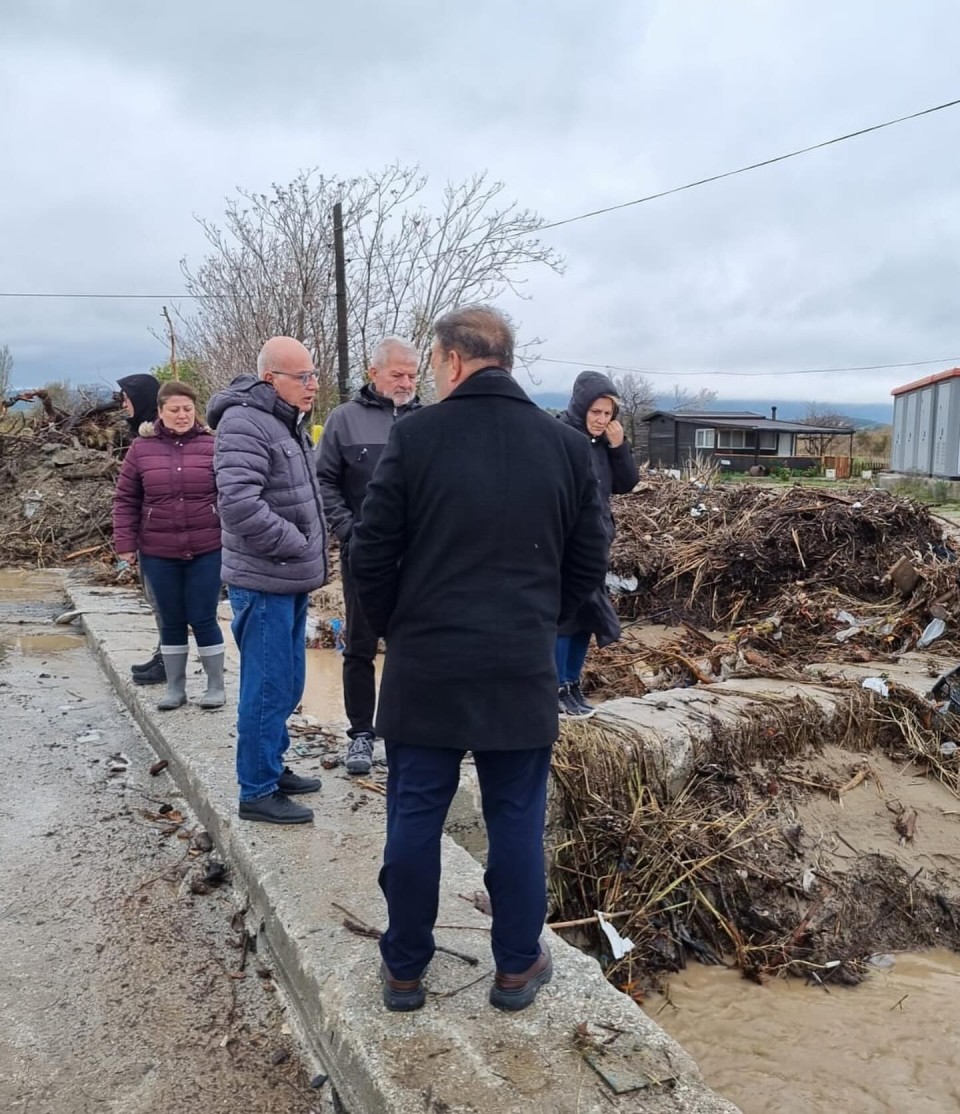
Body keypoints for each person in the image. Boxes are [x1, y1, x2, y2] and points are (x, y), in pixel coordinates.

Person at [349, 305, 607, 1013]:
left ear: (453, 361)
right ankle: (517, 968)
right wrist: (540, 621)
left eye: (433, 364)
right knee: (517, 821)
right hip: (519, 665)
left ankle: (404, 969)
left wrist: (400, 624)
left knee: (413, 818)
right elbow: (591, 556)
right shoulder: (562, 446)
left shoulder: (418, 434)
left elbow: (368, 552)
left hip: (425, 665)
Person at [208, 337, 329, 825]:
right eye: (302, 377)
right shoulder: (244, 422)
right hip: (264, 579)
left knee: (290, 680)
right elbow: (238, 503)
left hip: (289, 578)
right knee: (266, 685)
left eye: (313, 374)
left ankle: (272, 767)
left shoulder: (285, 422)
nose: (312, 384)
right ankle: (255, 790)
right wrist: (296, 543)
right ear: (269, 380)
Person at [315, 337, 421, 775]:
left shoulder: (430, 421)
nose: (406, 382)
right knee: (360, 647)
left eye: (413, 375)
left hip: (418, 559)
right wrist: (349, 532)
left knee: (412, 647)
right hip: (364, 556)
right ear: (373, 372)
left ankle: (409, 732)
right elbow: (323, 483)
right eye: (397, 374)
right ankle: (361, 734)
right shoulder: (345, 420)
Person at [112, 380, 225, 712]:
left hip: (207, 548)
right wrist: (125, 545)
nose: (182, 415)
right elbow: (125, 500)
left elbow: (230, 495)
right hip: (158, 551)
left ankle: (215, 686)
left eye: (187, 409)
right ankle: (176, 688)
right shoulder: (140, 450)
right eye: (174, 410)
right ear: (160, 412)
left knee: (203, 616)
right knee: (171, 618)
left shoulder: (212, 446)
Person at [555, 371, 639, 718]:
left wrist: (619, 448)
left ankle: (573, 684)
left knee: (588, 616)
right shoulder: (561, 437)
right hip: (564, 543)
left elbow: (626, 483)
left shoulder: (604, 443)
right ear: (580, 407)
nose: (602, 420)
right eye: (596, 413)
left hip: (597, 541)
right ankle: (556, 687)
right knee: (565, 618)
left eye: (608, 414)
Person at [116, 373, 165, 687]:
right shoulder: (139, 439)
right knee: (156, 600)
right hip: (151, 537)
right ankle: (164, 656)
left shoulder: (154, 441)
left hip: (168, 539)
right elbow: (126, 497)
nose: (123, 404)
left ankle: (169, 661)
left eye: (127, 398)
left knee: (166, 603)